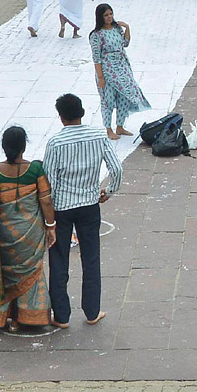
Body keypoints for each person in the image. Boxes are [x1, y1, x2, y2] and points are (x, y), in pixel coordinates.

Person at [44, 92, 122, 329]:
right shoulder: (99, 135)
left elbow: (49, 182)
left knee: (59, 260)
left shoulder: (56, 143)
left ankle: (62, 316)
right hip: (89, 205)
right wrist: (108, 191)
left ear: (61, 117)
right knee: (91, 258)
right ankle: (92, 311)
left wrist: (49, 217)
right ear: (82, 113)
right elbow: (116, 169)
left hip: (62, 209)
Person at [0, 126, 55, 330]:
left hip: (4, 234)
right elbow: (46, 202)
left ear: (4, 147)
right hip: (31, 233)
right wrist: (51, 226)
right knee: (32, 274)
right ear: (23, 146)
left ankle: (5, 317)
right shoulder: (36, 170)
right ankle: (27, 317)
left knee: (8, 273)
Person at [89, 4, 150, 141]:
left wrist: (127, 27)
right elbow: (96, 57)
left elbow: (125, 43)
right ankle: (108, 128)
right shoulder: (96, 35)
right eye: (106, 15)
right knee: (108, 100)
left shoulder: (117, 29)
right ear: (100, 17)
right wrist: (100, 77)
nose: (109, 17)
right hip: (107, 68)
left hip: (122, 66)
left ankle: (120, 126)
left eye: (111, 14)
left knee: (124, 96)